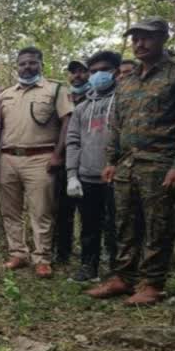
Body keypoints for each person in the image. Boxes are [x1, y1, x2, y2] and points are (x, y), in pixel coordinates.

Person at [87, 17, 175, 305]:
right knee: (124, 223)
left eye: (147, 37)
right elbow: (116, 124)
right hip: (127, 164)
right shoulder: (127, 81)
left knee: (159, 223)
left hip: (162, 162)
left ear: (163, 38)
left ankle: (153, 283)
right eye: (136, 38)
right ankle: (122, 277)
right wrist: (111, 160)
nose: (140, 43)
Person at [0, 46, 73, 278]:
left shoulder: (56, 90)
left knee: (41, 211)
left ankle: (42, 258)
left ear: (41, 64)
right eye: (22, 64)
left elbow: (67, 123)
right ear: (16, 66)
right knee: (10, 211)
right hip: (8, 158)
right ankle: (18, 253)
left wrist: (58, 155)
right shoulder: (6, 94)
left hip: (41, 157)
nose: (27, 67)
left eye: (32, 63)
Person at [65, 50, 122, 281]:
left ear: (116, 72)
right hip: (87, 176)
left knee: (116, 225)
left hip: (117, 175)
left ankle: (117, 271)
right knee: (89, 225)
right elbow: (73, 140)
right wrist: (71, 174)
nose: (99, 75)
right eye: (94, 71)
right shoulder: (81, 108)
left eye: (104, 70)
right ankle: (89, 268)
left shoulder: (124, 101)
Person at [53, 59, 90, 264]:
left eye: (82, 71)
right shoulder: (62, 96)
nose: (77, 75)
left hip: (89, 162)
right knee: (62, 210)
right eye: (73, 72)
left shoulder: (96, 97)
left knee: (89, 212)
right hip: (64, 162)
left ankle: (89, 255)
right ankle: (62, 253)